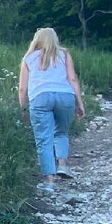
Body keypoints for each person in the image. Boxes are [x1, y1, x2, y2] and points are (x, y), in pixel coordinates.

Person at [18, 27, 84, 190]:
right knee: (61, 132)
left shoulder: (29, 58)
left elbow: (22, 87)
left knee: (44, 139)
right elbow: (73, 79)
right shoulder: (64, 55)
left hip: (40, 97)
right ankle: (62, 164)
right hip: (65, 97)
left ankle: (49, 181)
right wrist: (79, 102)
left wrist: (23, 107)